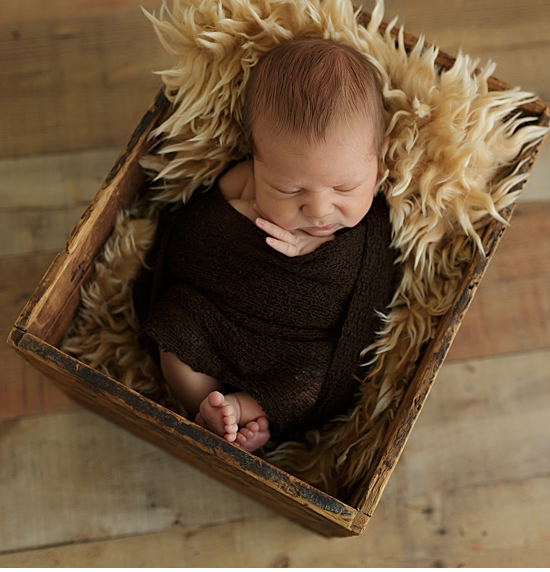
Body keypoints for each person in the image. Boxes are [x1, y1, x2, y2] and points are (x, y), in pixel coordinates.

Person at [138, 37, 399, 450]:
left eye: (344, 187)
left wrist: (316, 252)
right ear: (256, 160)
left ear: (378, 163)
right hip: (217, 317)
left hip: (299, 346)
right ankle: (206, 407)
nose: (318, 210)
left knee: (315, 380)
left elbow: (369, 278)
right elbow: (198, 228)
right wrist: (236, 219)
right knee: (174, 334)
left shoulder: (368, 222)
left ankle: (247, 408)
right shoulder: (244, 180)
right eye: (290, 188)